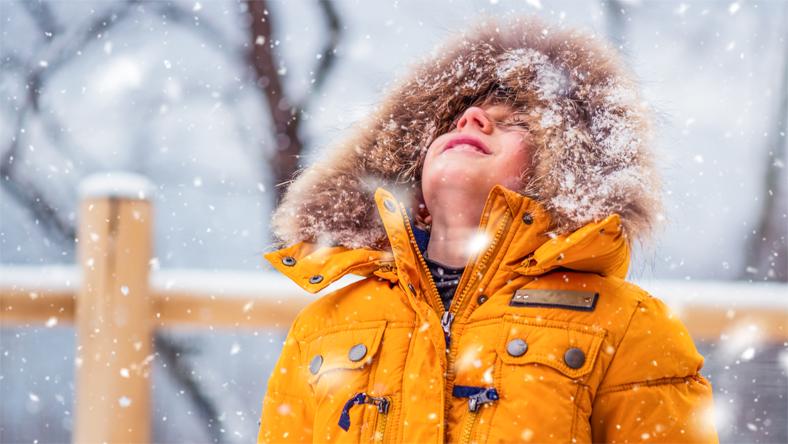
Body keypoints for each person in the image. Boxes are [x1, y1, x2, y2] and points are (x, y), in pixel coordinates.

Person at [257, 16, 718, 443]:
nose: (470, 119)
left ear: (561, 170)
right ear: (412, 174)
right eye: (456, 120)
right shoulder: (321, 327)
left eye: (511, 122)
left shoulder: (628, 325)